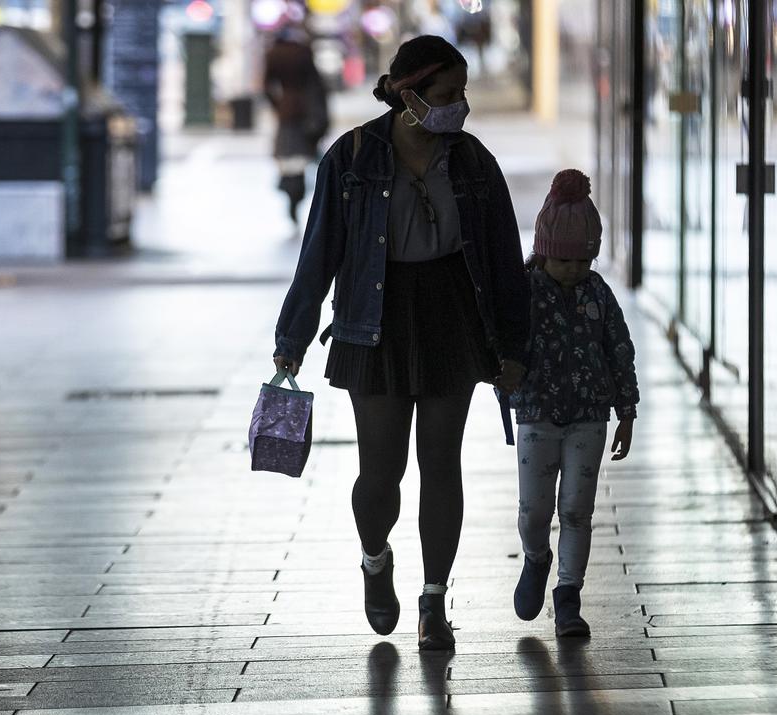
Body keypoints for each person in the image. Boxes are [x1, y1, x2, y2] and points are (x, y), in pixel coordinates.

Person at [272, 35, 528, 651]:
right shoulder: (352, 157)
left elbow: (502, 257)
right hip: (372, 320)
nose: (459, 107)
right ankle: (375, 557)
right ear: (409, 95)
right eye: (448, 95)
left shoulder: (471, 161)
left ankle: (434, 601)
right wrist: (293, 338)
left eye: (462, 95)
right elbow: (319, 254)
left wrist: (515, 345)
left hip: (451, 315)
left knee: (441, 463)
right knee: (380, 472)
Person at [509, 170, 639, 638]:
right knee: (534, 511)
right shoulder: (524, 293)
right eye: (564, 261)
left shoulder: (597, 294)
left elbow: (619, 349)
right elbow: (502, 347)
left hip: (589, 416)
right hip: (536, 415)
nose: (574, 270)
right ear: (543, 253)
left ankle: (568, 597)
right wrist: (505, 383)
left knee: (577, 510)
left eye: (583, 261)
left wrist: (627, 409)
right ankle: (536, 558)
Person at [263, 25, 330, 225]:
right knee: (301, 159)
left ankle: (290, 192)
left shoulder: (274, 55)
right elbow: (317, 85)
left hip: (286, 112)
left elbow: (267, 87)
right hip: (306, 112)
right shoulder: (303, 54)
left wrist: (277, 104)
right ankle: (295, 195)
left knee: (288, 157)